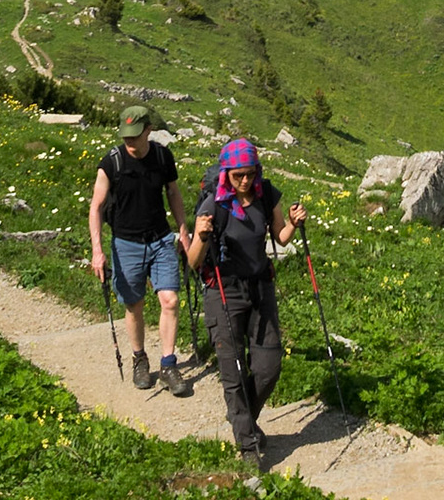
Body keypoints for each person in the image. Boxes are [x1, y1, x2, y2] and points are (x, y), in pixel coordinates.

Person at [184, 136, 307, 466]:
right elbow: (194, 262)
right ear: (226, 172)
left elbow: (279, 236)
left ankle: (242, 419)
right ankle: (248, 445)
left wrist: (294, 224)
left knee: (269, 367)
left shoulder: (267, 194)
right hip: (222, 290)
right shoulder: (213, 204)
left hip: (260, 288)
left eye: (250, 174)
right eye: (238, 175)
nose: (245, 181)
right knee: (234, 369)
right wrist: (201, 234)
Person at [89, 104, 192, 395]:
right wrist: (98, 250)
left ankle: (169, 364)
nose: (130, 142)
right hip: (125, 243)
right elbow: (96, 207)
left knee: (170, 300)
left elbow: (173, 192)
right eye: (126, 137)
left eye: (135, 136)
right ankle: (139, 358)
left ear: (149, 131)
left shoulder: (162, 156)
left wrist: (182, 229)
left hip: (160, 239)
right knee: (134, 304)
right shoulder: (111, 163)